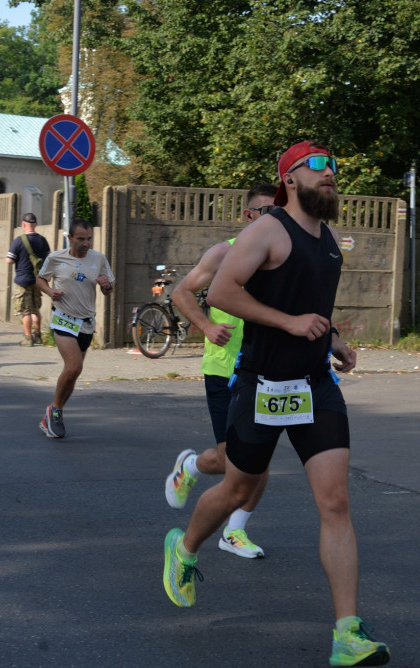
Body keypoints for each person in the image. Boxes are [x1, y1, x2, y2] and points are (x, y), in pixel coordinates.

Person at [161, 142, 390, 667]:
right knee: (238, 487)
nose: (330, 177)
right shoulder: (266, 231)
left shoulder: (330, 239)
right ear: (290, 179)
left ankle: (347, 634)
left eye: (334, 169)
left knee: (335, 502)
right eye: (319, 170)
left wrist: (331, 339)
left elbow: (311, 305)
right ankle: (186, 546)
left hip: (315, 384)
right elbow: (220, 291)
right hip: (262, 384)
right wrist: (288, 324)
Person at [164, 184, 277, 560]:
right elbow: (182, 292)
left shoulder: (281, 256)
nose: (275, 219)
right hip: (224, 369)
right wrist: (206, 327)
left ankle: (235, 532)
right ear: (248, 216)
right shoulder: (224, 253)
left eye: (279, 211)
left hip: (266, 369)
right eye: (266, 212)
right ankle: (192, 465)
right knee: (234, 463)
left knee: (259, 462)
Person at [35, 218, 114, 438]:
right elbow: (40, 279)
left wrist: (107, 286)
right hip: (63, 318)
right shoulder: (55, 258)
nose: (85, 243)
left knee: (74, 372)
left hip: (86, 322)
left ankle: (53, 411)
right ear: (70, 238)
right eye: (80, 239)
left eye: (89, 239)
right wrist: (50, 292)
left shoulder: (98, 259)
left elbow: (109, 289)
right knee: (74, 366)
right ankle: (55, 411)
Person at [5, 212, 51, 346]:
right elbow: (49, 259)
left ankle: (28, 338)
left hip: (23, 280)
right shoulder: (42, 240)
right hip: (38, 280)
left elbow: (9, 260)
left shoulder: (19, 241)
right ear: (35, 224)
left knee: (26, 311)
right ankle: (38, 335)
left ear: (23, 224)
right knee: (36, 309)